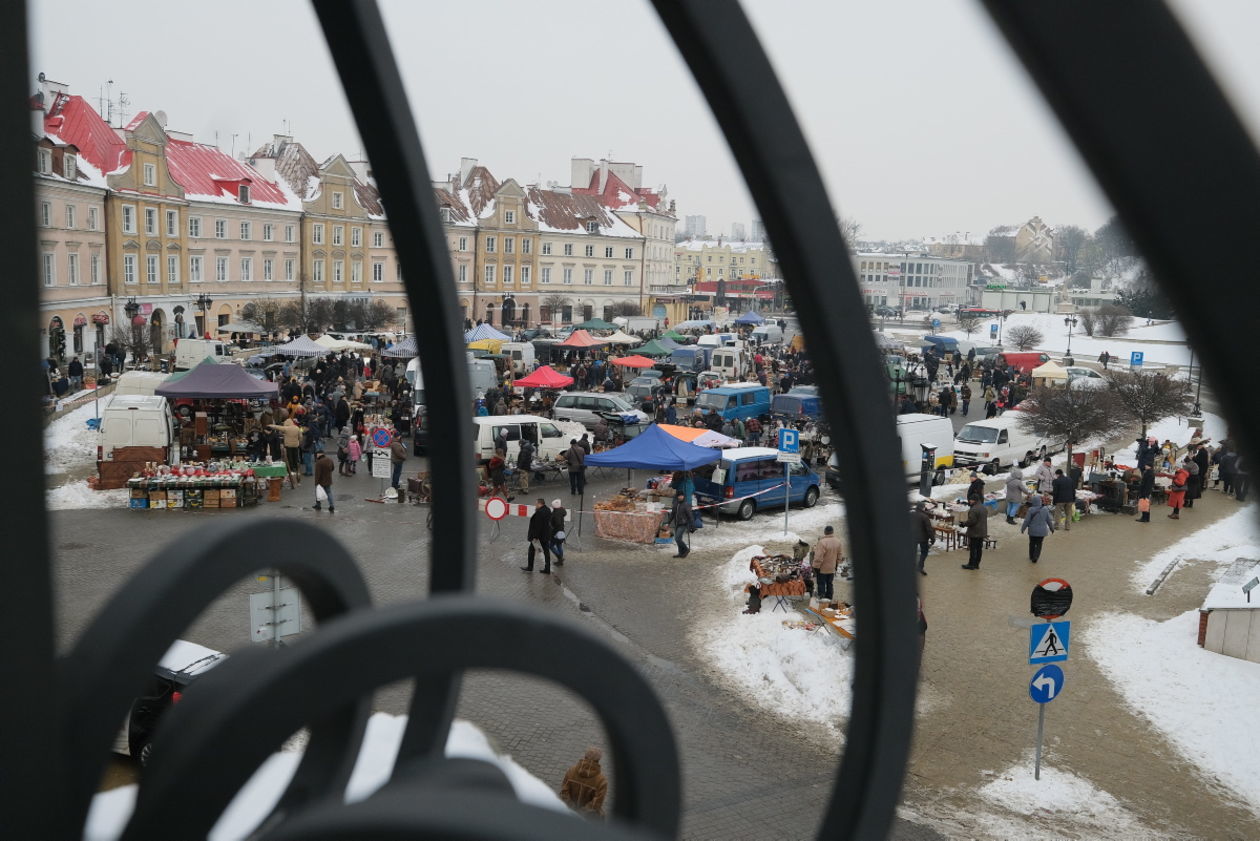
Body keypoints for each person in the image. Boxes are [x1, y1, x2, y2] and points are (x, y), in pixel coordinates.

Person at [558, 747, 608, 818]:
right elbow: (596, 803)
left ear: (585, 757)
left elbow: (564, 791)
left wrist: (572, 808)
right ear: (598, 760)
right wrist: (582, 812)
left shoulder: (571, 771)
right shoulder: (601, 781)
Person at [1020, 495, 1056, 563]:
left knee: (1032, 543)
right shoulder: (1045, 509)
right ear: (1040, 501)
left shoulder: (1031, 509)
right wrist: (1052, 528)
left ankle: (1031, 556)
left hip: (1032, 531)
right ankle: (1036, 556)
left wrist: (1023, 528)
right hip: (1042, 532)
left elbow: (1026, 521)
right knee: (1039, 544)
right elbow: (1049, 520)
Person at [521, 498, 553, 574]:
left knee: (531, 550)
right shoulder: (548, 510)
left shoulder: (539, 512)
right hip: (546, 534)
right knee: (546, 551)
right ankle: (547, 568)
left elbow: (538, 526)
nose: (535, 505)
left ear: (540, 504)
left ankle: (530, 567)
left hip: (539, 536)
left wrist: (535, 536)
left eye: (536, 504)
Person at [813, 525, 843, 599]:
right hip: (832, 567)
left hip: (822, 568)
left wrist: (816, 566)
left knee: (821, 583)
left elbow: (818, 556)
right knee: (830, 583)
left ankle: (822, 598)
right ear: (832, 532)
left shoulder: (822, 542)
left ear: (825, 532)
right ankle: (829, 598)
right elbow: (840, 555)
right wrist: (837, 564)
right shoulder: (838, 541)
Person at [960, 496, 989, 570]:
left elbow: (971, 521)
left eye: (970, 500)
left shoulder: (974, 509)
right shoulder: (984, 508)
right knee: (979, 548)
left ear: (974, 500)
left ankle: (971, 564)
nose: (969, 501)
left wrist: (964, 524)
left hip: (975, 532)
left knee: (973, 548)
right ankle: (976, 564)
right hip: (982, 531)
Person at [911, 501, 934, 576]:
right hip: (923, 538)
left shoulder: (912, 514)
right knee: (924, 552)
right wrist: (932, 538)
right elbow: (929, 529)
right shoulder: (925, 516)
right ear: (923, 507)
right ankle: (920, 567)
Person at [670, 491, 694, 558]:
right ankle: (680, 553)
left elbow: (690, 516)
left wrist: (692, 525)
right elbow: (672, 514)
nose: (680, 497)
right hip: (677, 523)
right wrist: (668, 522)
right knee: (679, 539)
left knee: (677, 538)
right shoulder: (676, 504)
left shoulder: (686, 504)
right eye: (679, 496)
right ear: (677, 496)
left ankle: (686, 549)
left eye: (682, 495)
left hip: (683, 524)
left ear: (684, 496)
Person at [312, 448, 335, 514]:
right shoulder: (330, 460)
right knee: (329, 493)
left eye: (317, 454)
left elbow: (317, 474)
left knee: (317, 493)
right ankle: (331, 506)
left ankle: (318, 505)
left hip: (321, 481)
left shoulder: (319, 462)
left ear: (319, 454)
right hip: (328, 480)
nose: (316, 455)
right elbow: (332, 468)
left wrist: (316, 483)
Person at [550, 499, 567, 565]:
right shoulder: (562, 511)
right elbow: (564, 513)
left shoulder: (555, 513)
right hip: (562, 531)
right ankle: (560, 561)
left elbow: (557, 523)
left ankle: (560, 558)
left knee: (551, 546)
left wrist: (553, 532)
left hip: (556, 532)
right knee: (559, 545)